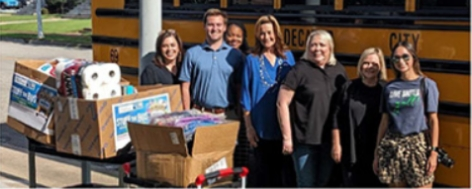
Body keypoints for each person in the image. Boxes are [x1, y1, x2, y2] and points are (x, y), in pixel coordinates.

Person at [277, 30, 348, 187]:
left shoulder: (338, 70)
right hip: (304, 140)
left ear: (330, 48)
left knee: (323, 182)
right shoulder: (299, 70)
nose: (317, 49)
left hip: (329, 140)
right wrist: (287, 137)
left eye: (322, 45)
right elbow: (282, 103)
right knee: (306, 183)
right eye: (313, 45)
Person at [373, 41, 440, 188]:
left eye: (405, 57)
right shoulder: (389, 87)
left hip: (417, 145)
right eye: (396, 58)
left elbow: (433, 120)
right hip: (393, 144)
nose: (401, 61)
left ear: (414, 58)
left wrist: (434, 152)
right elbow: (384, 121)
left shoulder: (427, 84)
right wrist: (377, 153)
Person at [241, 15, 296, 188]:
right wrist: (249, 128)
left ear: (276, 33)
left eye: (270, 33)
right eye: (262, 33)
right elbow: (245, 96)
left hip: (283, 126)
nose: (266, 37)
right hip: (261, 126)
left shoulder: (288, 57)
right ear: (257, 35)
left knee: (284, 176)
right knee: (263, 176)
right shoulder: (251, 60)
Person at [331, 47, 388, 187]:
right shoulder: (348, 87)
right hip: (351, 149)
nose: (370, 67)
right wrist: (336, 145)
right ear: (360, 65)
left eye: (375, 64)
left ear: (381, 67)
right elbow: (336, 117)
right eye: (366, 63)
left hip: (376, 150)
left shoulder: (385, 90)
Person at [179, 8, 244, 119]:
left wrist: (239, 113)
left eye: (219, 25)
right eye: (211, 25)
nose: (215, 28)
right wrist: (187, 114)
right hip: (199, 113)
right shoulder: (192, 53)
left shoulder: (235, 55)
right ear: (204, 26)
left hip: (226, 115)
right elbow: (185, 87)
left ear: (224, 27)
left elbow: (239, 87)